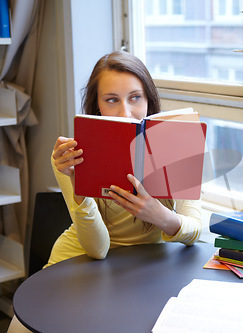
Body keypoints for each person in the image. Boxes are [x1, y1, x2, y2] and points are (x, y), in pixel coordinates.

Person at [7, 51, 202, 332]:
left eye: (135, 98)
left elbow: (195, 230)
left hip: (146, 268)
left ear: (149, 99)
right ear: (97, 106)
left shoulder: (176, 145)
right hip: (80, 260)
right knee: (22, 328)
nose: (125, 111)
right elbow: (97, 249)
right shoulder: (70, 157)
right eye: (112, 100)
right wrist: (78, 185)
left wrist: (161, 216)